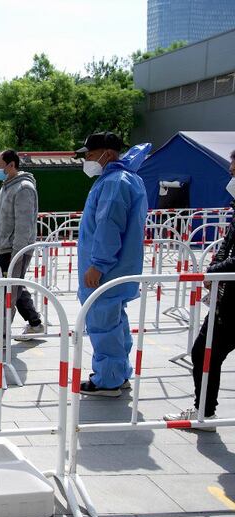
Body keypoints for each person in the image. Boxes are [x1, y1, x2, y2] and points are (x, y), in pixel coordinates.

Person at [74, 132, 150, 396]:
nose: (86, 159)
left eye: (90, 155)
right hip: (118, 269)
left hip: (106, 271)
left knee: (103, 325)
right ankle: (118, 373)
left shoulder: (115, 183)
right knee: (115, 323)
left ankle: (108, 380)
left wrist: (98, 265)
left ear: (107, 154)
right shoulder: (126, 179)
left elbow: (108, 227)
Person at [164, 151, 235, 426]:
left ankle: (204, 411)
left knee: (205, 351)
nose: (230, 178)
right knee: (205, 352)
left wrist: (212, 273)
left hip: (230, 303)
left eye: (233, 173)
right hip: (225, 297)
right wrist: (213, 271)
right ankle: (204, 410)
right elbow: (225, 248)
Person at [0, 150, 44, 352]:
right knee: (13, 288)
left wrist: (17, 255)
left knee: (7, 292)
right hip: (1, 246)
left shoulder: (23, 188)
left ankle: (1, 335)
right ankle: (34, 323)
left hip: (13, 250)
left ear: (11, 164)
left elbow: (24, 226)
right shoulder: (7, 186)